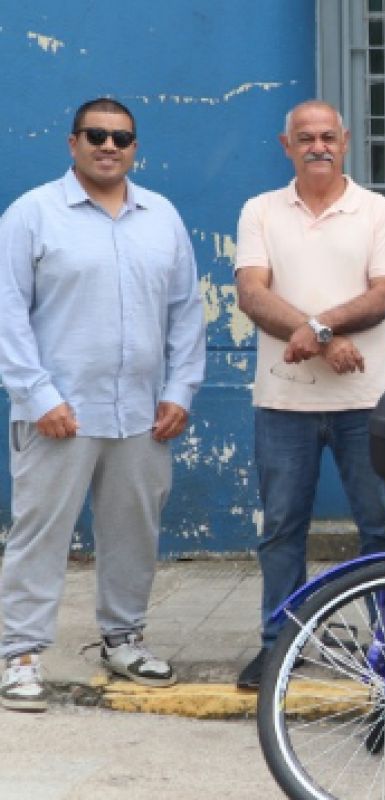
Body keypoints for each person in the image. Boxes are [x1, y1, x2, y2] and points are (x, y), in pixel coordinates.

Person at [0, 97, 206, 711]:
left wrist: (179, 390)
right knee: (40, 534)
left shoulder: (161, 217)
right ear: (72, 143)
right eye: (96, 135)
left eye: (122, 138)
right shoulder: (33, 214)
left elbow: (185, 313)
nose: (109, 146)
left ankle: (123, 637)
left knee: (133, 531)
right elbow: (8, 311)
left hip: (141, 412)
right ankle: (21, 653)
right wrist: (38, 395)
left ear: (135, 147)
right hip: (59, 414)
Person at [232, 100, 385, 690]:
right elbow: (252, 296)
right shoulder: (260, 211)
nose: (317, 146)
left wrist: (320, 328)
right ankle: (279, 645)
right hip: (284, 402)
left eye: (327, 136)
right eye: (304, 137)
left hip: (366, 403)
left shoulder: (377, 211)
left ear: (346, 140)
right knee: (283, 527)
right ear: (287, 145)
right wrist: (325, 337)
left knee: (381, 526)